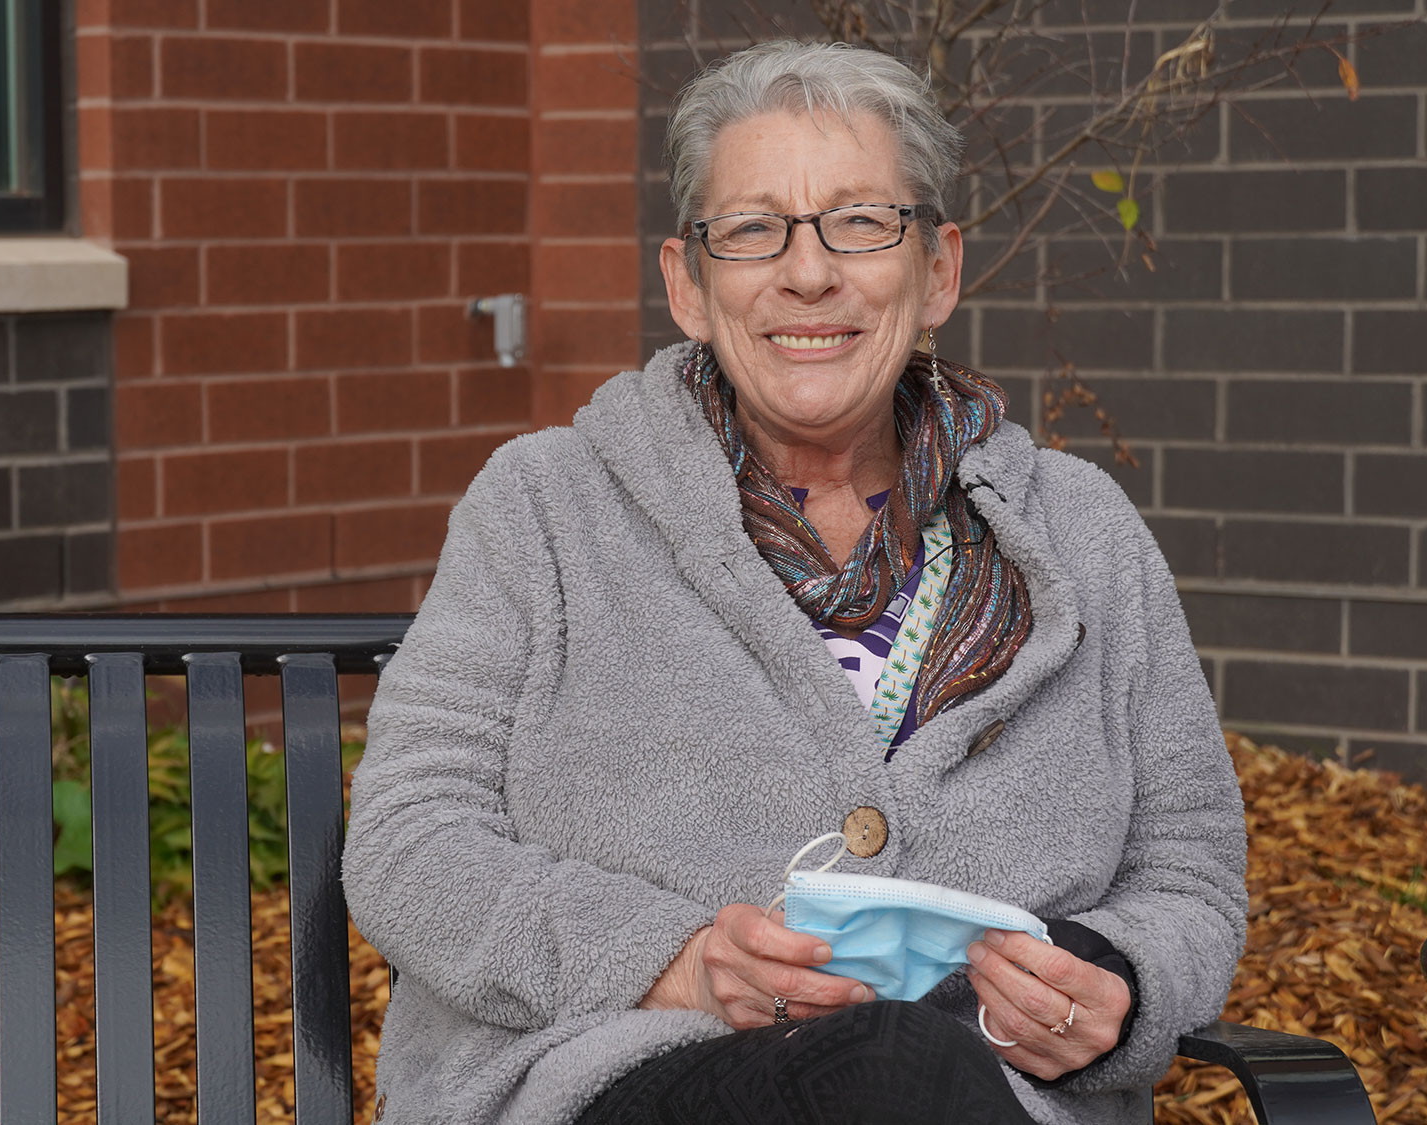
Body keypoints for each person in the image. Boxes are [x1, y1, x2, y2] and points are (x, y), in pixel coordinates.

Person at [341, 39, 1247, 1125]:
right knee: (891, 1075)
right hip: (620, 1080)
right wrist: (670, 961)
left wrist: (1116, 984)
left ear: (937, 269)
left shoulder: (1081, 531)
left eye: (860, 222)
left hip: (988, 1096)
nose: (806, 272)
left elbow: (1185, 867)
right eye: (753, 229)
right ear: (686, 282)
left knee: (909, 1077)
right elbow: (409, 840)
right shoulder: (544, 507)